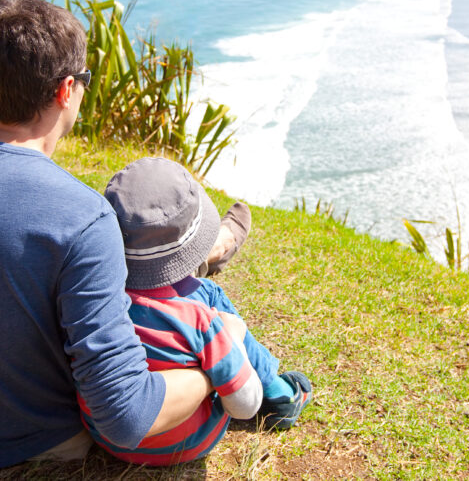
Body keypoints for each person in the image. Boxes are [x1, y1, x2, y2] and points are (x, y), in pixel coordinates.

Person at [0, 0, 212, 469]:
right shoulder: (84, 216)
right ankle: (205, 263)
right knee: (195, 310)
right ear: (66, 90)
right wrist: (211, 371)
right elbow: (125, 415)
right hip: (39, 439)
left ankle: (210, 253)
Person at [82, 157, 313, 466]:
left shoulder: (93, 300)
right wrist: (232, 341)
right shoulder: (199, 316)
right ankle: (281, 396)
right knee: (208, 293)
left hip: (105, 437)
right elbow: (245, 406)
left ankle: (215, 253)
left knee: (200, 292)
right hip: (187, 441)